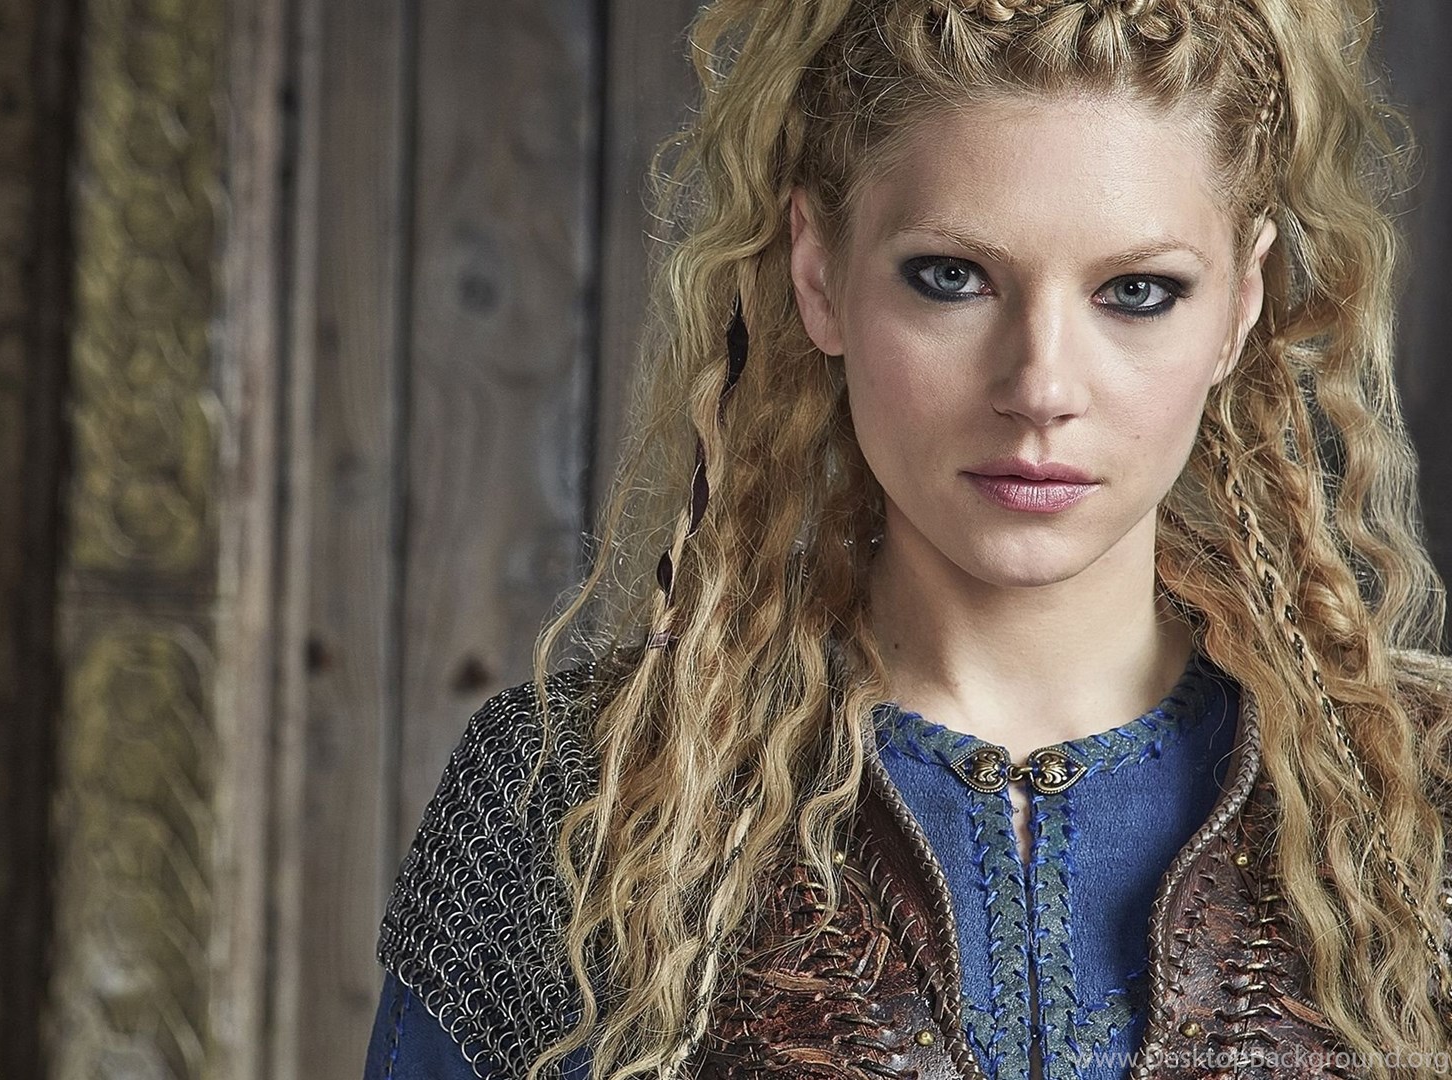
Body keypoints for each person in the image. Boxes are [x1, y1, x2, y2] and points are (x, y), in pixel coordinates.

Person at [363, 0, 1452, 1077]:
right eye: (952, 278)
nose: (1041, 387)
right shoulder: (576, 798)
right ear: (818, 275)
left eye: (1137, 291)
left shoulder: (1423, 798)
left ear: (1241, 306)